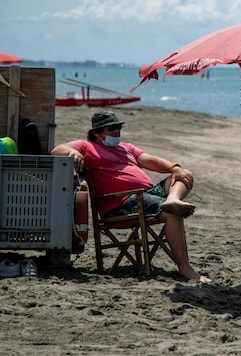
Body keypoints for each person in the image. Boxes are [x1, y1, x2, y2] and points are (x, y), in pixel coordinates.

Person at [51, 111, 211, 283]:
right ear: (97, 133)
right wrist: (73, 153)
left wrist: (174, 168)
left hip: (146, 194)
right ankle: (185, 268)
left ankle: (173, 199)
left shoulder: (127, 148)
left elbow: (150, 160)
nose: (116, 132)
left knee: (183, 174)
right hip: (122, 202)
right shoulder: (87, 146)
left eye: (118, 127)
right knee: (173, 213)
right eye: (111, 128)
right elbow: (57, 150)